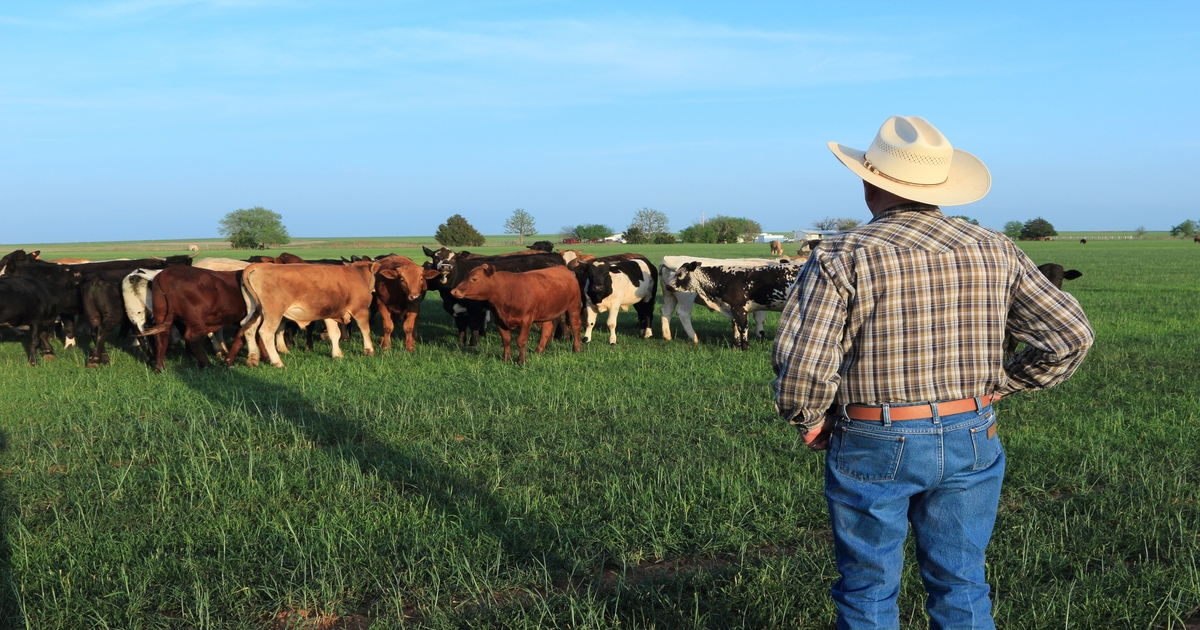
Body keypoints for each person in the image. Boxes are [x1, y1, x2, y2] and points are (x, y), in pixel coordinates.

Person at [771, 116, 1094, 629]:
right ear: (941, 186)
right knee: (962, 581)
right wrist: (1004, 384)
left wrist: (806, 416)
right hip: (972, 430)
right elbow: (1070, 336)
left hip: (874, 433)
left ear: (869, 182)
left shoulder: (841, 254)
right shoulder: (997, 248)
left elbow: (803, 360)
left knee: (868, 588)